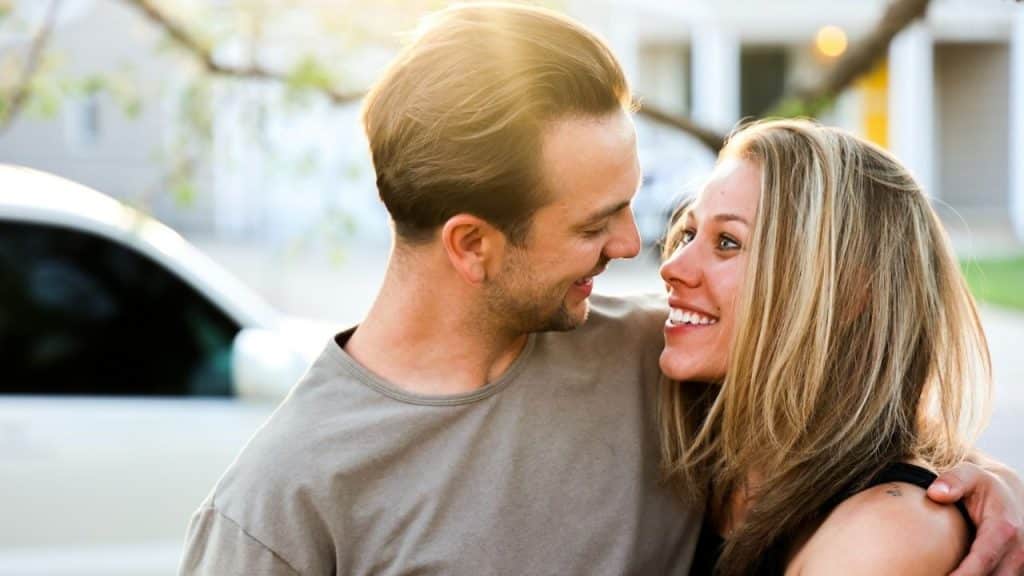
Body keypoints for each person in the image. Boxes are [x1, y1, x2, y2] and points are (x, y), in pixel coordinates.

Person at [179, 4, 1024, 575]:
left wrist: (978, 485)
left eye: (637, 206)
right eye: (594, 225)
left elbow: (838, 393)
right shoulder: (279, 507)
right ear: (472, 246)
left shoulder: (650, 355)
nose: (637, 248)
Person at [657, 118, 1008, 575]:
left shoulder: (885, 534)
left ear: (846, 292)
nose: (673, 267)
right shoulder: (715, 459)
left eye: (728, 242)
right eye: (687, 234)